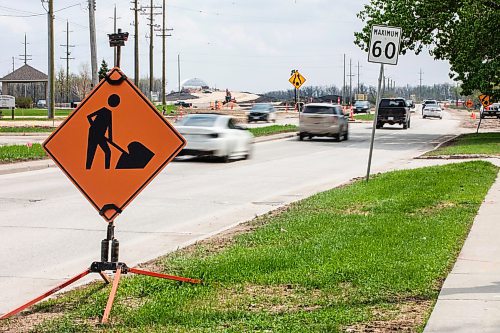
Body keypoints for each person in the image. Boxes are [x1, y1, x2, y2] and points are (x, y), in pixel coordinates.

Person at [86, 94, 120, 169]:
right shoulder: (103, 110)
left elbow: (109, 128)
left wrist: (110, 140)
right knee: (91, 152)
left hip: (101, 135)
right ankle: (87, 169)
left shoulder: (109, 113)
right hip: (93, 133)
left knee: (108, 152)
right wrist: (93, 127)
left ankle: (107, 170)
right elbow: (89, 116)